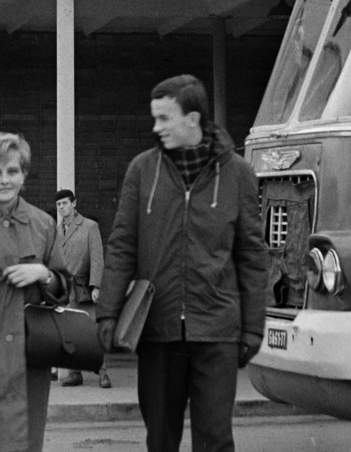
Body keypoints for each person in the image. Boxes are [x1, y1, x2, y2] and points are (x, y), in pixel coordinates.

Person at [98, 75, 268, 452]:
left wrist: (253, 327)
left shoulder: (238, 174)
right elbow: (123, 244)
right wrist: (107, 314)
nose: (156, 128)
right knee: (160, 439)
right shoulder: (142, 170)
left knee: (215, 439)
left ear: (193, 118)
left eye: (164, 118)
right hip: (158, 329)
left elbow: (252, 256)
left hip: (217, 331)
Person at [0, 131, 70, 452]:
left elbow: (64, 288)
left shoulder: (43, 224)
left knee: (27, 443)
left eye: (12, 171)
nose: (5, 180)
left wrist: (44, 274)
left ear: (24, 175)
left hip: (29, 360)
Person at [53, 189, 111, 390]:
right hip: (64, 289)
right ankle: (75, 372)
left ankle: (102, 371)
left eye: (65, 203)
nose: (62, 207)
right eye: (59, 204)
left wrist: (96, 286)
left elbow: (97, 258)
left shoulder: (89, 226)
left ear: (74, 203)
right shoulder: (56, 229)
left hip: (83, 287)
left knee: (91, 331)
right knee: (68, 332)